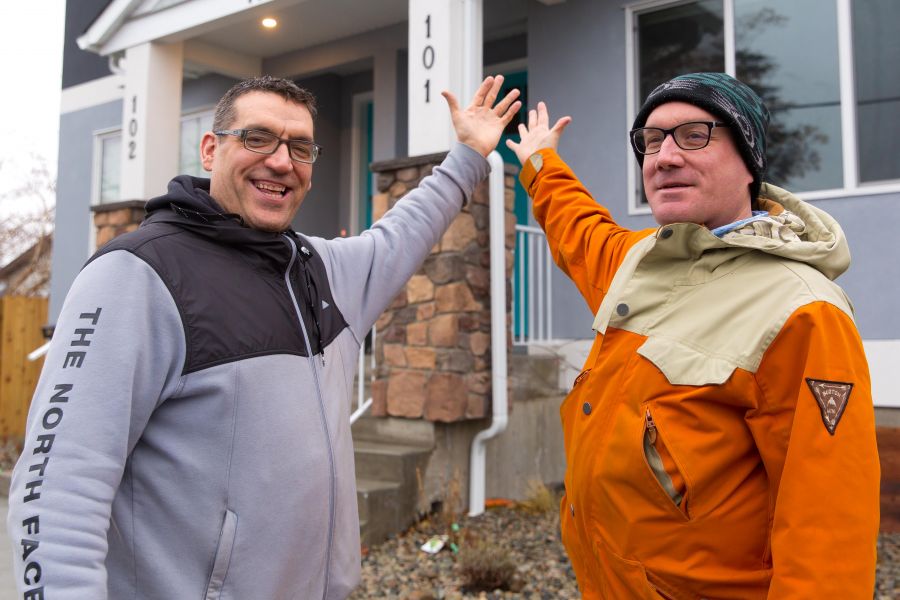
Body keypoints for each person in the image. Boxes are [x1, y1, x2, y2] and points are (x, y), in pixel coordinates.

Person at [7, 74, 520, 599]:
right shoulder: (136, 275)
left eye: (300, 147)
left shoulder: (321, 270)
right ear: (211, 150)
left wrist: (469, 156)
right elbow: (58, 492)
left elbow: (402, 234)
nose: (281, 161)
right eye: (257, 138)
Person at [506, 72, 879, 598]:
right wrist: (538, 160)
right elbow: (577, 226)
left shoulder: (802, 312)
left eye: (694, 135)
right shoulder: (639, 261)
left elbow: (829, 532)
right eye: (651, 141)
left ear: (749, 163)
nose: (664, 157)